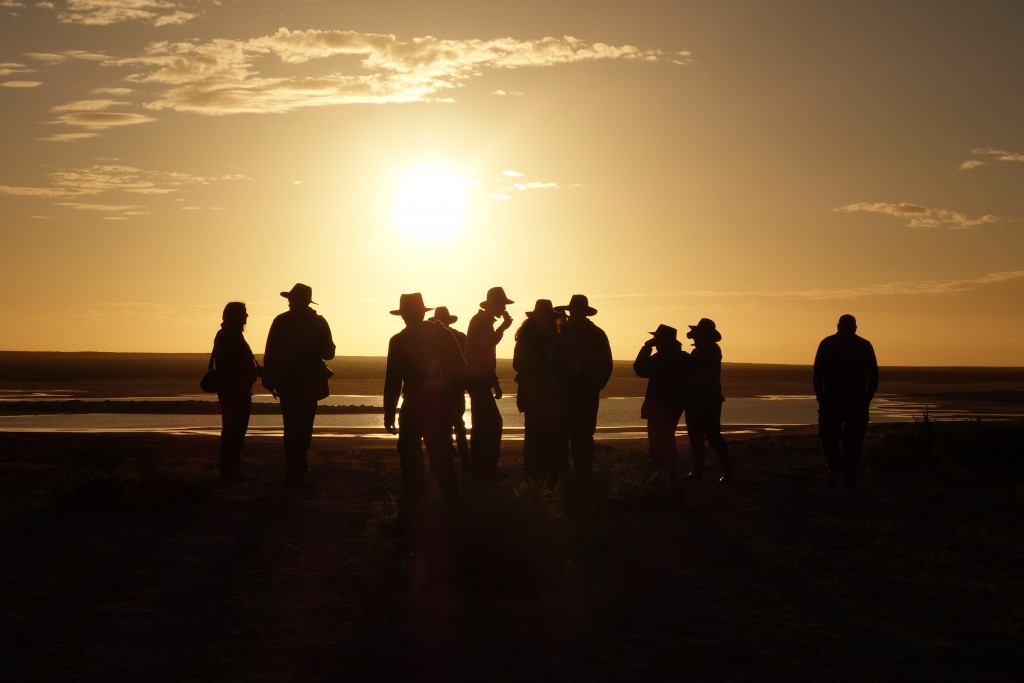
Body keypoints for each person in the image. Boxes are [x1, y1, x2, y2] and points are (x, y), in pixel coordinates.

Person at [385, 293, 467, 503]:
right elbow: (461, 367)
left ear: (403, 316)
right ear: (422, 313)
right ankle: (451, 502)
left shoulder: (398, 341)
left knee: (411, 457)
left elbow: (393, 381)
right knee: (440, 456)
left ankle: (418, 503)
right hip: (438, 404)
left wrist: (389, 414)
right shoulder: (443, 334)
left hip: (413, 405)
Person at [262, 283, 336, 489]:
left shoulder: (281, 321)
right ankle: (298, 475)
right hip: (309, 385)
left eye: (291, 299)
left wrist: (269, 379)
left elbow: (270, 353)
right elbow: (329, 353)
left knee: (291, 428)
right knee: (303, 430)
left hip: (287, 384)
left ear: (294, 300)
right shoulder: (319, 322)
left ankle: (293, 474)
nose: (288, 302)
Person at [813, 314, 879, 491]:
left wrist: (822, 396)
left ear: (838, 326)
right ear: (855, 327)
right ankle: (844, 474)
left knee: (832, 439)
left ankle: (839, 472)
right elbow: (873, 376)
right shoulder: (863, 345)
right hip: (851, 402)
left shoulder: (827, 344)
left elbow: (817, 374)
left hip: (837, 401)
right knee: (851, 442)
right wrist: (866, 398)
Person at [555, 294, 613, 478]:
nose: (574, 315)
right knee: (564, 431)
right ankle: (567, 467)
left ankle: (583, 469)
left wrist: (594, 385)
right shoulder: (563, 331)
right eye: (574, 312)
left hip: (585, 391)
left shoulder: (595, 334)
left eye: (577, 312)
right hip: (566, 390)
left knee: (583, 432)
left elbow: (605, 364)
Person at [513, 299, 567, 485]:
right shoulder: (528, 337)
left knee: (548, 436)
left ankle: (547, 477)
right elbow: (518, 363)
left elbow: (560, 363)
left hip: (548, 395)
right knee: (535, 437)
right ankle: (534, 477)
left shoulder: (554, 336)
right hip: (535, 394)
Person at [465, 286, 514, 482]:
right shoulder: (480, 321)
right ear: (494, 304)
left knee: (484, 424)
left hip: (480, 379)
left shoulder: (484, 321)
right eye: (501, 303)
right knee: (491, 423)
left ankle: (481, 468)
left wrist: (495, 382)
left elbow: (487, 355)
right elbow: (485, 346)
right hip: (477, 380)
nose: (503, 307)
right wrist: (504, 327)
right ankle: (485, 469)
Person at [211, 302, 259, 482]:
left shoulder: (228, 334)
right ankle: (230, 470)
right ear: (235, 316)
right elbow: (234, 364)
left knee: (234, 430)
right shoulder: (229, 336)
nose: (247, 317)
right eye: (244, 314)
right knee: (234, 430)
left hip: (234, 388)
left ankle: (231, 468)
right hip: (234, 390)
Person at [633, 324, 689, 478]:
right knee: (668, 438)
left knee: (657, 443)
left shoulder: (660, 359)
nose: (655, 342)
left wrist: (646, 347)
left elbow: (639, 369)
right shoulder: (683, 358)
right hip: (675, 406)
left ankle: (665, 474)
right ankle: (670, 472)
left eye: (657, 339)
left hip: (658, 406)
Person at [682, 318, 733, 483]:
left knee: (712, 437)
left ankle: (726, 472)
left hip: (708, 401)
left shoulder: (710, 350)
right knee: (697, 439)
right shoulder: (699, 351)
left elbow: (695, 367)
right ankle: (698, 473)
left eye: (697, 333)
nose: (694, 336)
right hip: (697, 401)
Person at [429, 306, 470, 472]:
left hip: (442, 387)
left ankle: (452, 457)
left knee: (444, 422)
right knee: (457, 422)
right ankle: (464, 460)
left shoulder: (430, 340)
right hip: (453, 386)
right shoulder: (459, 337)